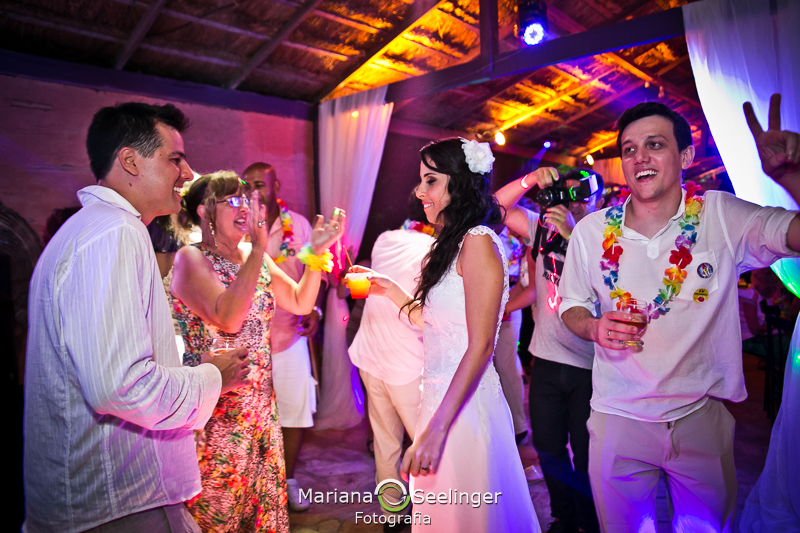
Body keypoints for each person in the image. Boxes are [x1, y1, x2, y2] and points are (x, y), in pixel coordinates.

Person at [558, 95, 800, 532]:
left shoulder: (720, 215)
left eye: (655, 144)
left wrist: (794, 181)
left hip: (699, 417)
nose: (639, 158)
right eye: (629, 149)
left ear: (685, 155)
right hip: (617, 418)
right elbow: (570, 306)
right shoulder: (593, 232)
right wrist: (593, 326)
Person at [24, 103, 251, 533]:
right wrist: (212, 376)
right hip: (120, 501)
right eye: (175, 159)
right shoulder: (115, 232)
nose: (188, 174)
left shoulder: (90, 230)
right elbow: (122, 385)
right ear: (130, 160)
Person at [350, 138, 541, 532]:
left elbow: (482, 343)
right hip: (436, 400)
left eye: (431, 180)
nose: (420, 191)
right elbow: (437, 323)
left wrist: (437, 431)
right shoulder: (450, 244)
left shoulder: (479, 242)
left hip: (464, 407)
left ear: (461, 184)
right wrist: (389, 289)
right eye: (421, 180)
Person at [170, 171, 343, 532]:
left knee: (258, 511)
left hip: (260, 407)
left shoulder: (253, 256)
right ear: (204, 212)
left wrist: (317, 254)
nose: (245, 208)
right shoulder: (191, 258)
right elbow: (228, 318)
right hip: (219, 412)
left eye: (246, 200)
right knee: (219, 512)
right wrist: (259, 251)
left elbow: (299, 301)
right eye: (232, 200)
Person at [497, 168, 605, 533]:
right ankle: (564, 516)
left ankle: (590, 523)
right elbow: (493, 207)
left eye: (581, 197)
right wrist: (529, 180)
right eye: (565, 195)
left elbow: (612, 284)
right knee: (548, 449)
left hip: (592, 366)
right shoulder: (541, 226)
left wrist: (574, 237)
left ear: (599, 202)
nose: (571, 204)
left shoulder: (612, 236)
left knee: (589, 454)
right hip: (544, 359)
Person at [241, 162, 326, 512]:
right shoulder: (241, 222)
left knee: (294, 409)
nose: (253, 190)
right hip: (249, 336)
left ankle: (287, 480)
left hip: (291, 330)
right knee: (249, 415)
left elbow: (311, 267)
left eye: (260, 183)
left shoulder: (300, 226)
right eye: (247, 184)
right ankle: (252, 484)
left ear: (277, 186)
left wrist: (315, 310)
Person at [348, 197, 435, 532]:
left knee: (385, 444)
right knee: (426, 447)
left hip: (371, 356)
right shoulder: (435, 248)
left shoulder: (384, 239)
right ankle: (434, 517)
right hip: (406, 364)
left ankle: (392, 517)